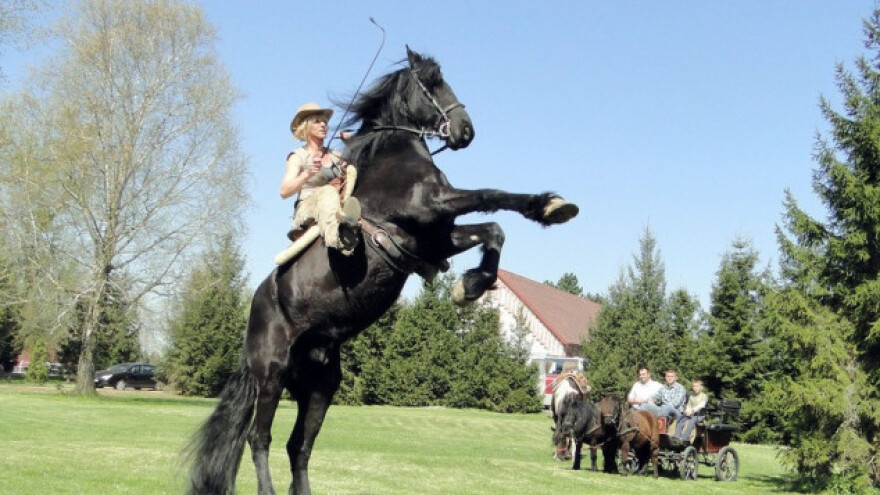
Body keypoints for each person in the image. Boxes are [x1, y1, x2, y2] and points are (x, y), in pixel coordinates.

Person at [281, 102, 360, 255]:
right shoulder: (298, 156)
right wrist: (307, 174)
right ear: (306, 127)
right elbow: (284, 191)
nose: (323, 125)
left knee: (351, 170)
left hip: (337, 203)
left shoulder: (335, 155)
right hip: (307, 210)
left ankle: (349, 218)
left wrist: (352, 144)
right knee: (328, 191)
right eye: (317, 122)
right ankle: (338, 241)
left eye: (324, 122)